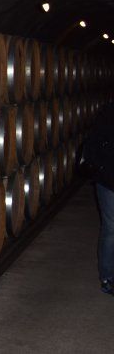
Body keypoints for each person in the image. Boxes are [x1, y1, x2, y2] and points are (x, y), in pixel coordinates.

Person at [80, 103, 114, 295]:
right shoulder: (108, 113)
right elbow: (94, 145)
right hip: (109, 181)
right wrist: (102, 171)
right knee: (112, 229)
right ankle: (108, 277)